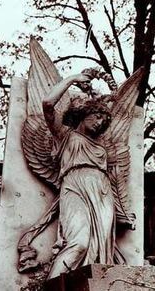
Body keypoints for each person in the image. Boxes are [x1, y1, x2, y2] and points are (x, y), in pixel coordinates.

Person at [41, 73, 115, 278]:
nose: (101, 122)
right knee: (79, 243)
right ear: (84, 114)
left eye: (105, 120)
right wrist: (73, 79)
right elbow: (48, 103)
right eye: (98, 116)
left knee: (101, 250)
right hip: (75, 186)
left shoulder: (101, 145)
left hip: (102, 191)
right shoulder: (65, 134)